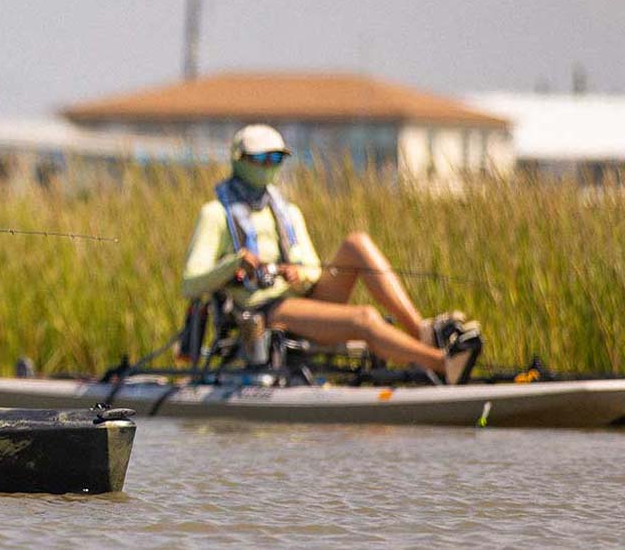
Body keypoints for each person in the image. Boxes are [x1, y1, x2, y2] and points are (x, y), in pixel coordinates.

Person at [181, 124, 482, 384]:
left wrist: (299, 274)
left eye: (276, 159)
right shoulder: (215, 214)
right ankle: (442, 363)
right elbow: (190, 283)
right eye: (260, 159)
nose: (268, 166)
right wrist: (235, 263)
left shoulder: (288, 212)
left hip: (304, 296)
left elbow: (313, 267)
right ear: (239, 160)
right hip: (266, 309)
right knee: (365, 317)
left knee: (356, 243)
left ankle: (421, 332)